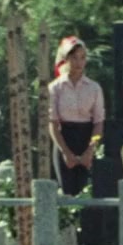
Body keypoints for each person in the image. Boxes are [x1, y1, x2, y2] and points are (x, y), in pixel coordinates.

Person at [47, 36, 104, 196]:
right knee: (67, 191)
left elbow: (98, 122)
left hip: (86, 138)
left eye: (82, 57)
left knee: (87, 191)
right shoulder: (55, 88)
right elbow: (53, 123)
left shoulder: (94, 88)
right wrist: (66, 153)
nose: (78, 62)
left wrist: (90, 150)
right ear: (65, 59)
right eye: (74, 57)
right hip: (64, 139)